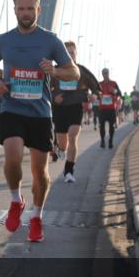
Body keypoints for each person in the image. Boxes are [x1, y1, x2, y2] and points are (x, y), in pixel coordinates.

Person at [0, 0, 77, 243]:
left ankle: (36, 216)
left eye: (30, 9)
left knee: (40, 172)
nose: (25, 13)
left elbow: (74, 72)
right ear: (14, 10)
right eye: (20, 9)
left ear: (39, 10)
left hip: (40, 113)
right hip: (12, 108)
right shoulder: (4, 40)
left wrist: (55, 71)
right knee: (12, 158)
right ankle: (16, 200)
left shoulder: (51, 40)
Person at [51, 41, 99, 183]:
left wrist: (94, 95)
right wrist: (54, 97)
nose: (70, 55)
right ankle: (60, 149)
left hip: (75, 106)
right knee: (63, 143)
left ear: (76, 53)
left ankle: (69, 171)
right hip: (59, 108)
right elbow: (44, 89)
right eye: (67, 52)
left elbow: (96, 87)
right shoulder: (55, 70)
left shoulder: (81, 70)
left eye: (72, 52)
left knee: (73, 136)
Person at [96, 68, 123, 149]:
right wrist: (98, 95)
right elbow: (96, 94)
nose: (105, 74)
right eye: (104, 73)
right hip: (102, 109)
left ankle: (110, 140)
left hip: (111, 109)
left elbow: (119, 94)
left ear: (108, 73)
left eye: (106, 73)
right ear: (102, 74)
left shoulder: (114, 83)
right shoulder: (99, 84)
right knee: (101, 126)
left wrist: (114, 91)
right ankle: (103, 141)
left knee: (112, 126)